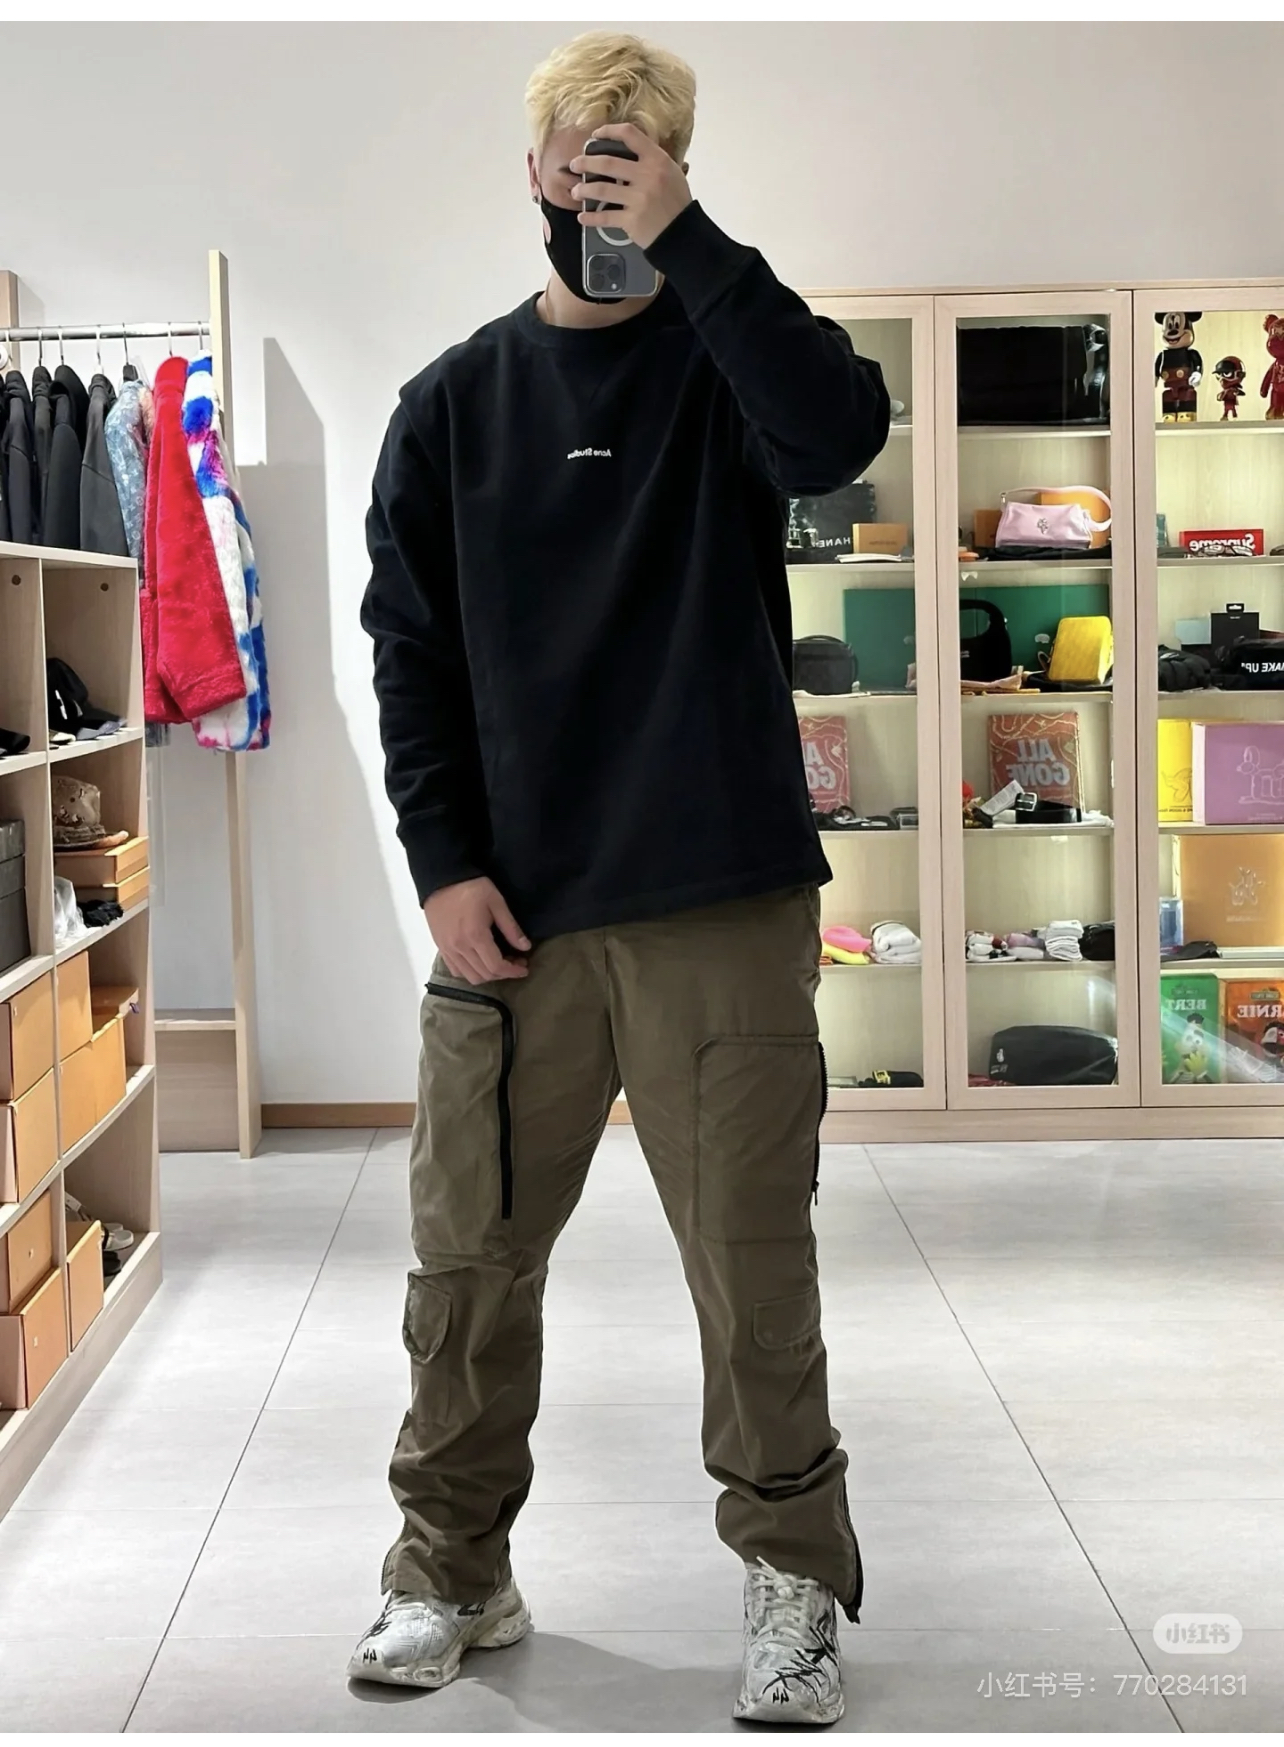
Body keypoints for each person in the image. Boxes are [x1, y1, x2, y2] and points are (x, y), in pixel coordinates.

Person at [350, 29, 889, 1728]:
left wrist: (693, 244)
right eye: (583, 151)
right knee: (466, 1264)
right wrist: (443, 864)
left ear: (673, 167)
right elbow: (410, 654)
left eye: (637, 153)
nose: (603, 178)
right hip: (516, 913)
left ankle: (793, 1579)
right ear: (533, 168)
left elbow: (839, 434)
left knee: (752, 1263)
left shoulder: (728, 369)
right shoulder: (451, 406)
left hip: (719, 896)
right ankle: (452, 1570)